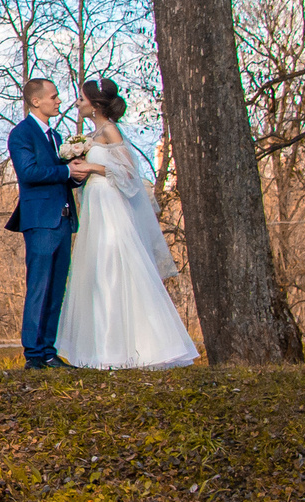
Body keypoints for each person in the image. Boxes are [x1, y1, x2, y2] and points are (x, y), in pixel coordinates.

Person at [52, 78, 198, 370]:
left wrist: (91, 166)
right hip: (95, 203)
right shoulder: (92, 135)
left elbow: (129, 171)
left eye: (81, 99)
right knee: (95, 269)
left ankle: (137, 348)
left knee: (113, 263)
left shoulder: (110, 130)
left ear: (95, 105)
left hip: (109, 203)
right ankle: (100, 350)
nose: (77, 104)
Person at [6, 79, 94, 369]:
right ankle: (33, 354)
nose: (58, 101)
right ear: (36, 101)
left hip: (64, 219)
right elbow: (29, 172)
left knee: (56, 289)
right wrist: (66, 170)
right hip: (41, 220)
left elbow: (60, 175)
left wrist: (76, 175)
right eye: (53, 97)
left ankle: (48, 351)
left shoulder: (55, 136)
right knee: (39, 287)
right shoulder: (22, 134)